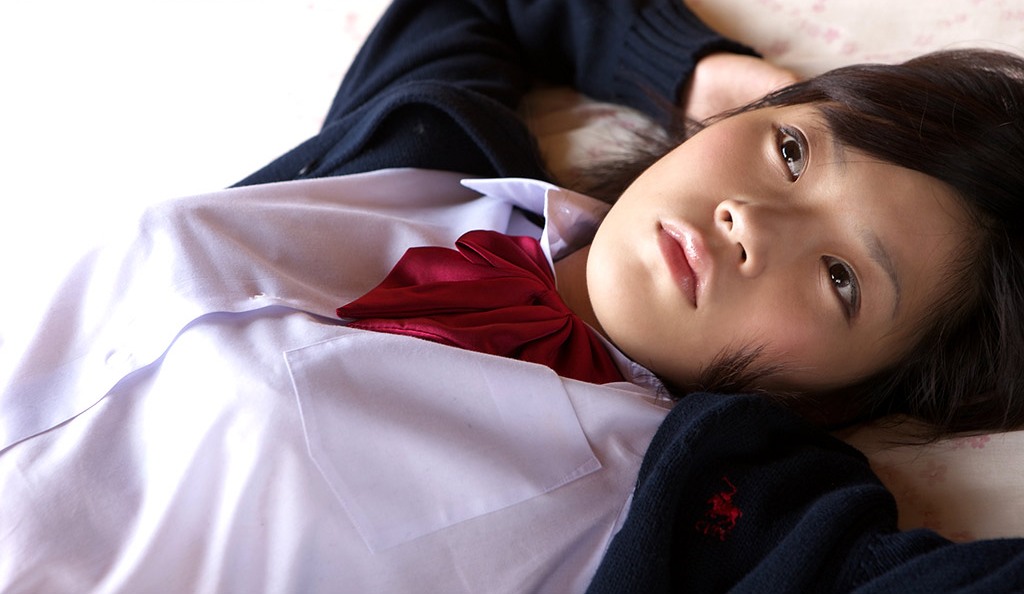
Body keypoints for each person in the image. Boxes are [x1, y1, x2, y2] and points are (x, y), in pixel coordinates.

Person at [1, 1, 1023, 593]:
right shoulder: (429, 154)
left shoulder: (709, 506)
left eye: (841, 277)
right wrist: (701, 71)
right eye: (792, 151)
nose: (752, 218)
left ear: (852, 391)